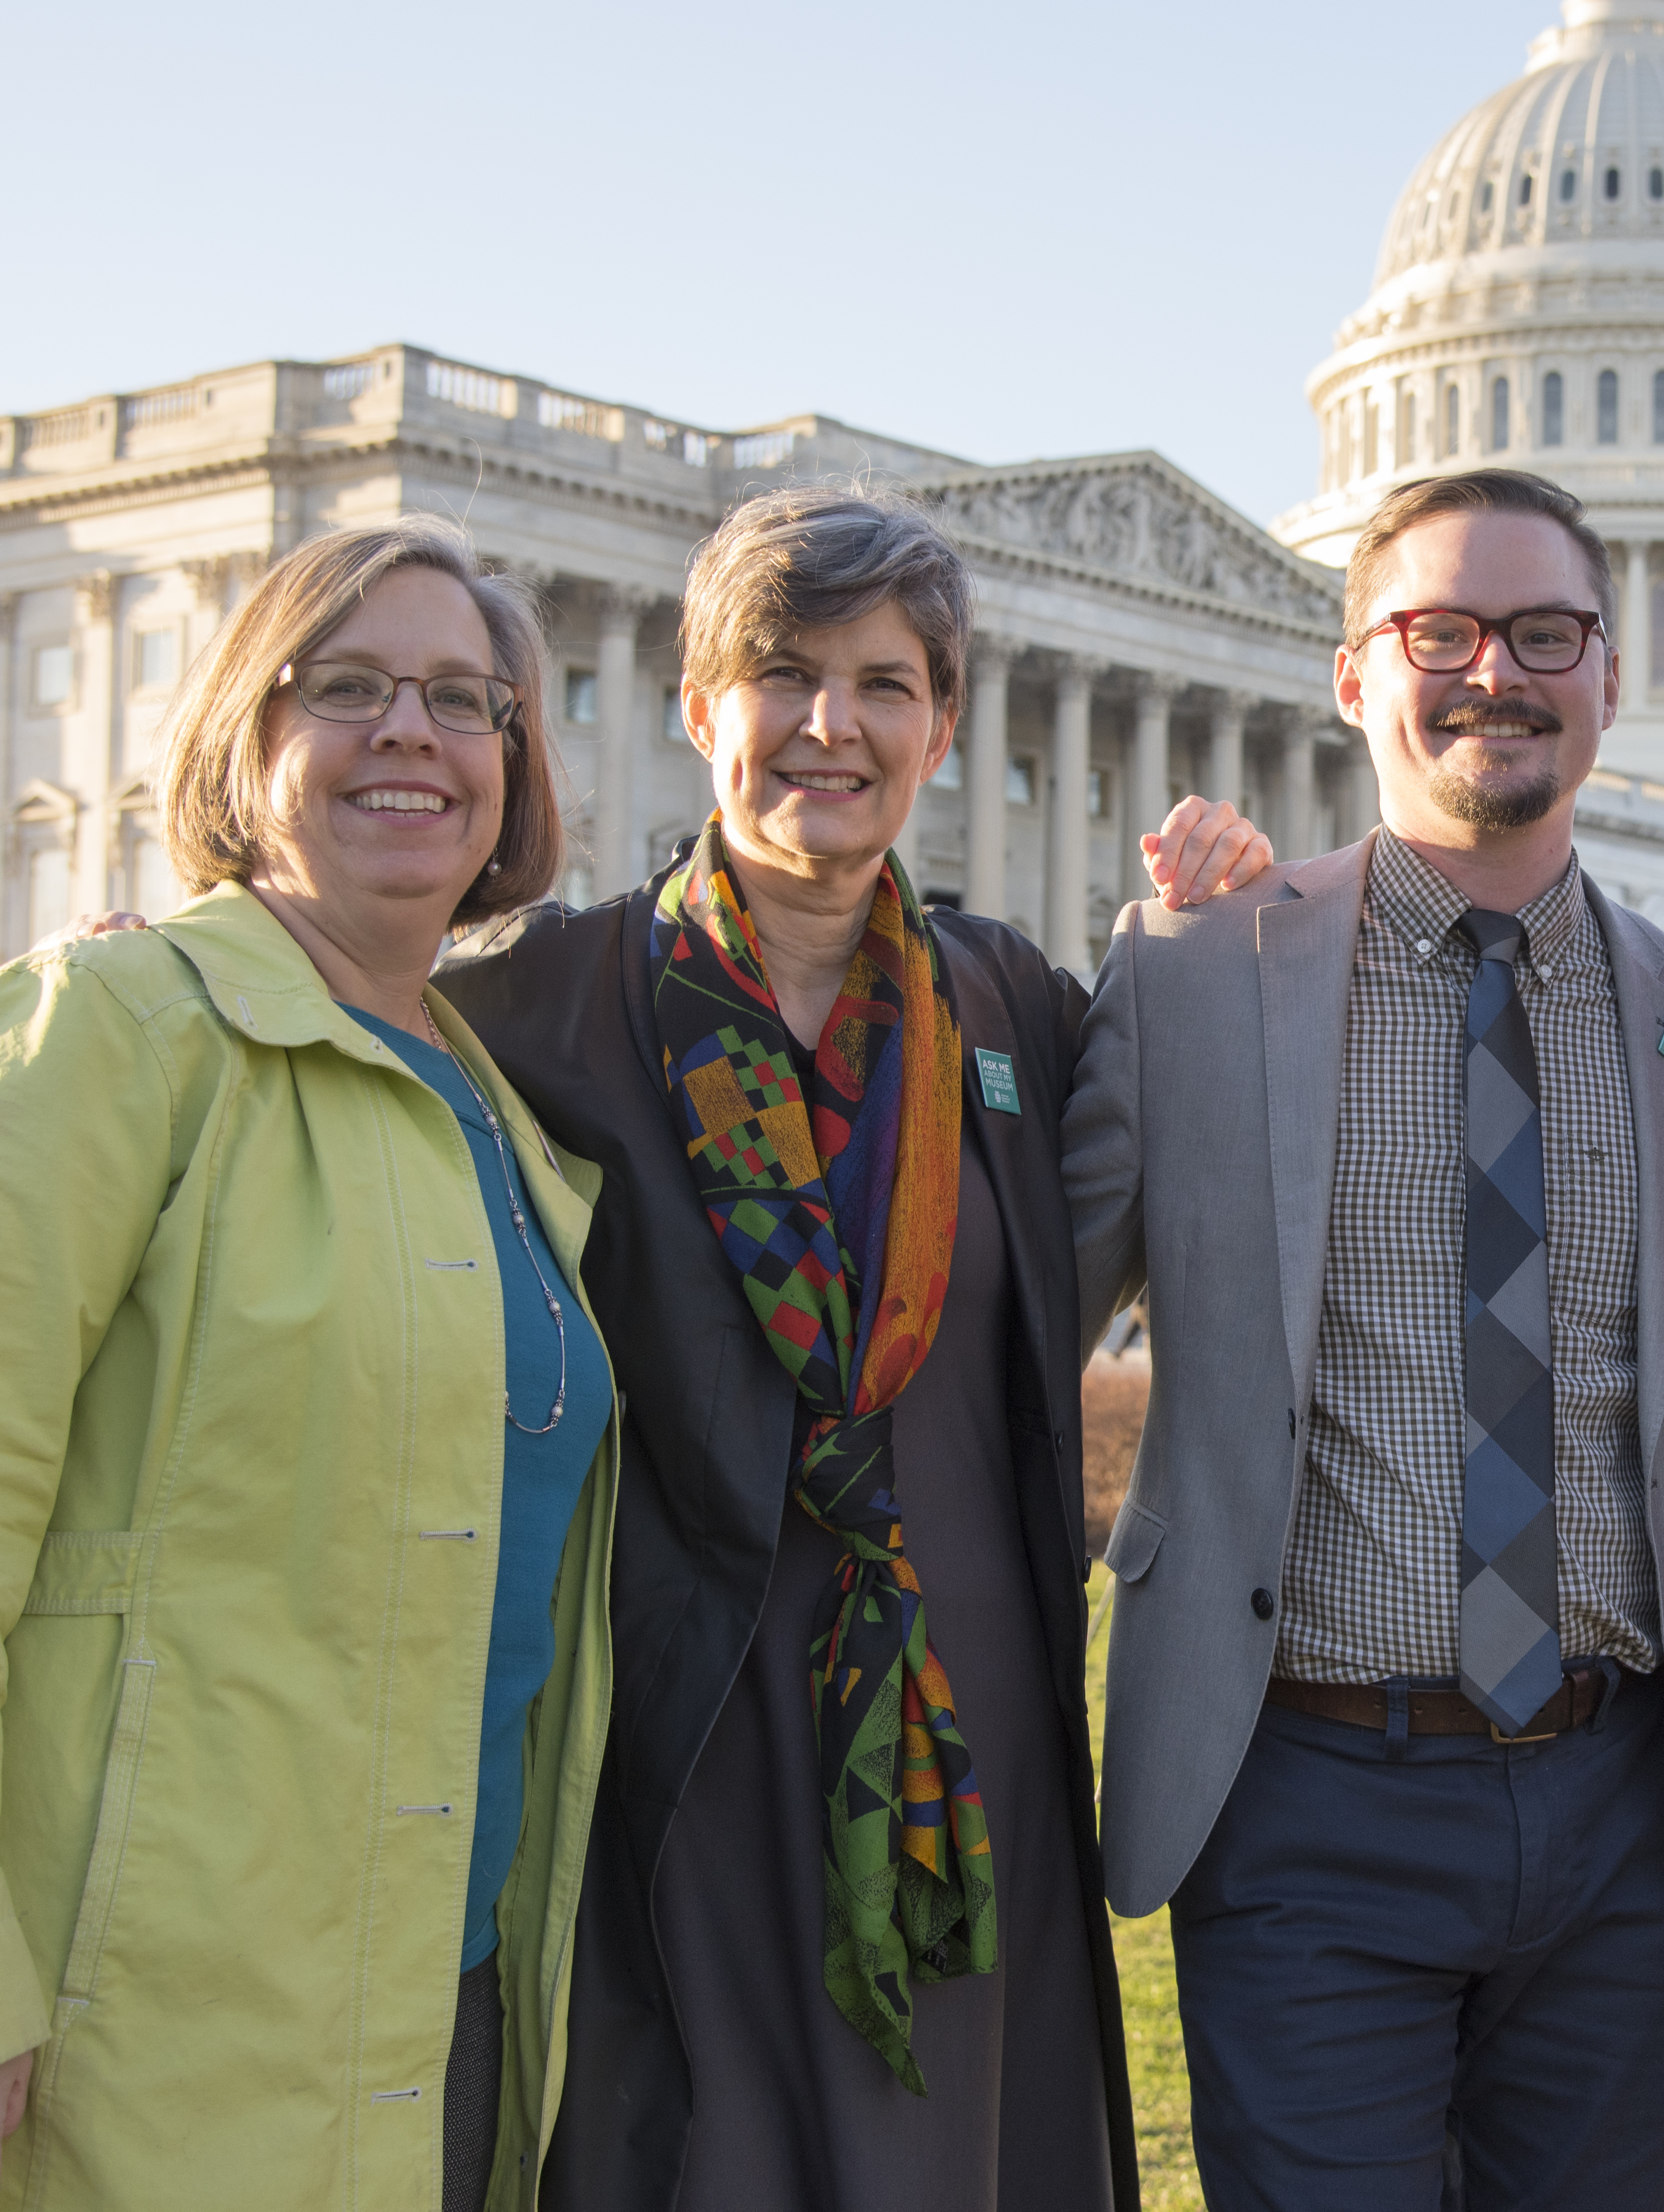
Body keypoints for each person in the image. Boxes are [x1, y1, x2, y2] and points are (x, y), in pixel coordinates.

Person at [0, 520, 619, 2212]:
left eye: (464, 701)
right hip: (108, 2032)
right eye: (343, 685)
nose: (409, 730)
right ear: (241, 745)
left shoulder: (498, 1117)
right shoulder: (92, 1035)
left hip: (432, 2006)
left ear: (514, 767)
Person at [432, 484, 1263, 2212]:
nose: (833, 726)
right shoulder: (538, 1008)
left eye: (886, 684)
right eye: (783, 674)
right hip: (689, 1743)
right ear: (697, 705)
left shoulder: (1010, 1010)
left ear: (943, 726)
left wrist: (1215, 923)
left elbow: (1187, 1190)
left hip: (969, 1733)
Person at [1063, 468, 1664, 2211]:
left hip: (1616, 1806)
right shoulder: (1193, 980)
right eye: (1438, 631)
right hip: (1308, 1792)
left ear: (1609, 678)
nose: (1493, 673)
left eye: (1545, 634)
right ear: (1353, 671)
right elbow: (1013, 1327)